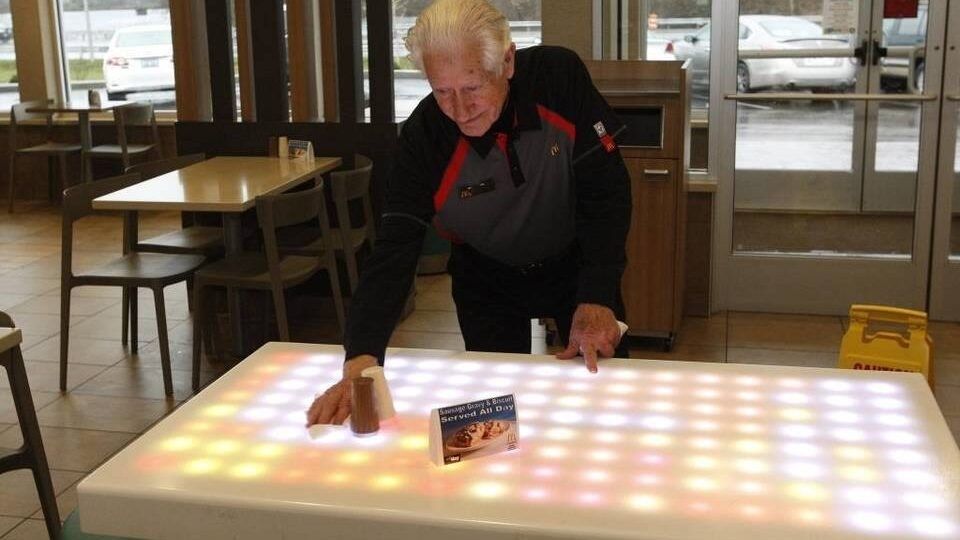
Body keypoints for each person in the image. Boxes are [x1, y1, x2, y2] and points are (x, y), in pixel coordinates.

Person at [306, 0, 631, 426]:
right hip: (486, 278)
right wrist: (360, 362)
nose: (460, 109)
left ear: (508, 62)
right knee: (498, 418)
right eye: (442, 91)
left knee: (603, 401)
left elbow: (606, 193)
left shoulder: (558, 78)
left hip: (575, 263)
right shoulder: (424, 138)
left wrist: (598, 293)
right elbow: (393, 250)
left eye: (473, 87)